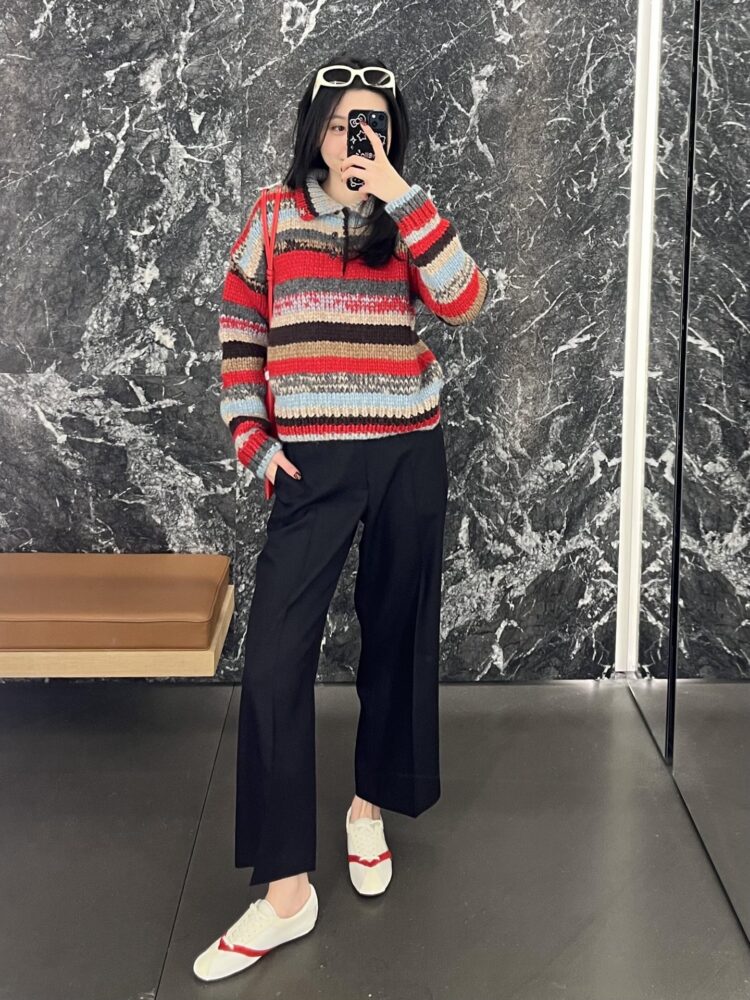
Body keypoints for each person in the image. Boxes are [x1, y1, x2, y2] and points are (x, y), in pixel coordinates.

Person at [194, 52, 488, 982]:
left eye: (373, 124)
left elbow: (465, 299)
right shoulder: (273, 216)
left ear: (389, 134)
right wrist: (251, 435)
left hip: (406, 452)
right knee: (275, 657)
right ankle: (286, 893)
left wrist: (401, 194)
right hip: (311, 463)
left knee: (397, 634)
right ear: (314, 130)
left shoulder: (406, 218)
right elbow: (240, 325)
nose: (355, 138)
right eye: (341, 123)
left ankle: (369, 807)